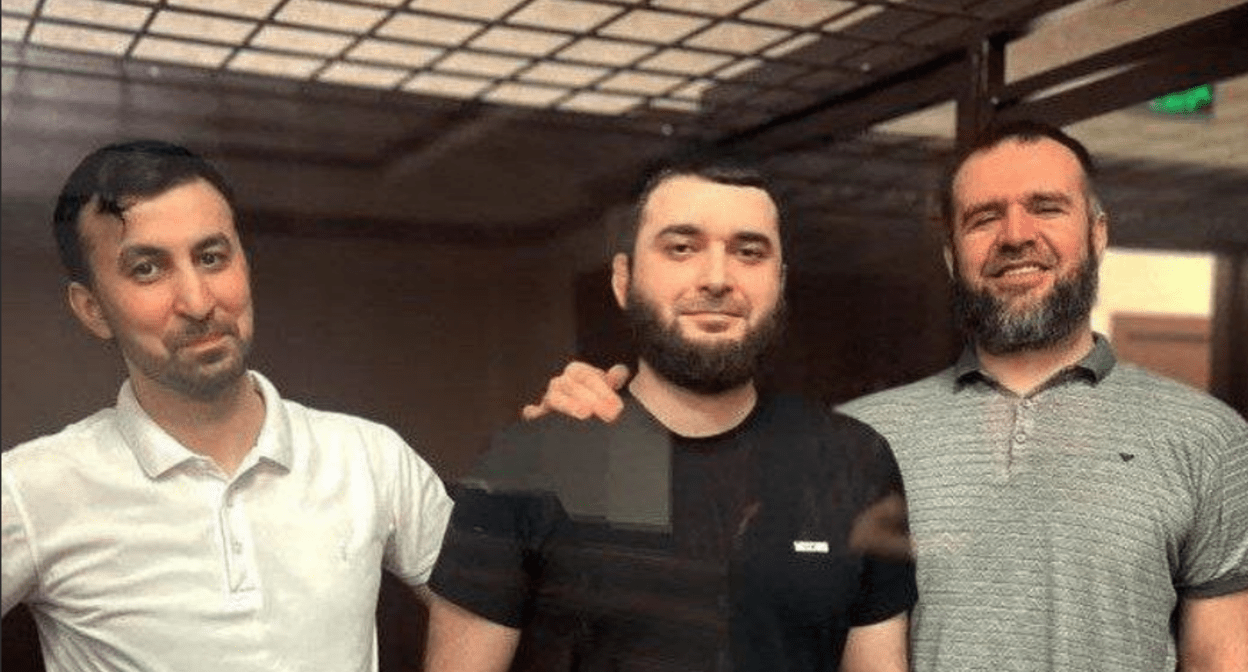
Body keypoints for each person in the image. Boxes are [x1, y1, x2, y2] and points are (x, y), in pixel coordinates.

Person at [522, 120, 1248, 671]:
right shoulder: (855, 441)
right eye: (983, 217)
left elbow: (1222, 660)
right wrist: (582, 433)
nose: (1015, 236)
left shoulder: (1208, 440)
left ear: (1097, 234)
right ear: (951, 254)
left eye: (1046, 208)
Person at [423, 159, 917, 672]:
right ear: (623, 280)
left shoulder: (855, 461)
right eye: (681, 248)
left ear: (780, 282)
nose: (717, 279)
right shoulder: (523, 466)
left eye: (749, 252)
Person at [0, 140, 453, 671]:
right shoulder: (32, 488)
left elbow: (486, 599)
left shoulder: (367, 457)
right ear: (93, 309)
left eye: (212, 257)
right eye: (147, 269)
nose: (198, 302)